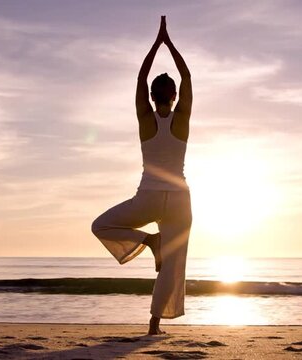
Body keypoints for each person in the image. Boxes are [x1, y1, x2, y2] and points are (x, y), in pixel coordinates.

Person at [91, 15, 193, 335]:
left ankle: (149, 240)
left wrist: (156, 43)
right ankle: (154, 324)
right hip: (179, 199)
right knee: (172, 265)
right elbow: (187, 75)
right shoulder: (182, 118)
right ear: (174, 96)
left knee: (101, 225)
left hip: (148, 196)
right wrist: (169, 43)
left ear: (151, 97)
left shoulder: (145, 118)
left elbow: (140, 78)